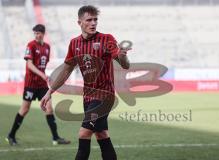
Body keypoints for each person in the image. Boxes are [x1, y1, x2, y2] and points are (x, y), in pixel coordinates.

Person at [40, 5, 130, 160]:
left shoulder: (106, 39)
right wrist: (49, 92)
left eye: (95, 19)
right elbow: (66, 71)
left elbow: (125, 64)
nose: (93, 23)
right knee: (101, 134)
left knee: (84, 132)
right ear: (79, 22)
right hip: (88, 97)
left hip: (104, 96)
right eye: (89, 20)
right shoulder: (74, 44)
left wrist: (122, 55)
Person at [6, 24, 70, 146]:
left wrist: (45, 76)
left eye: (38, 33)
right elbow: (29, 65)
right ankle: (11, 135)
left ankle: (55, 138)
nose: (36, 35)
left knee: (49, 108)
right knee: (25, 109)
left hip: (42, 85)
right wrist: (42, 74)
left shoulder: (47, 47)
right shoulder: (30, 45)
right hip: (31, 83)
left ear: (43, 34)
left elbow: (43, 64)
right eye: (35, 33)